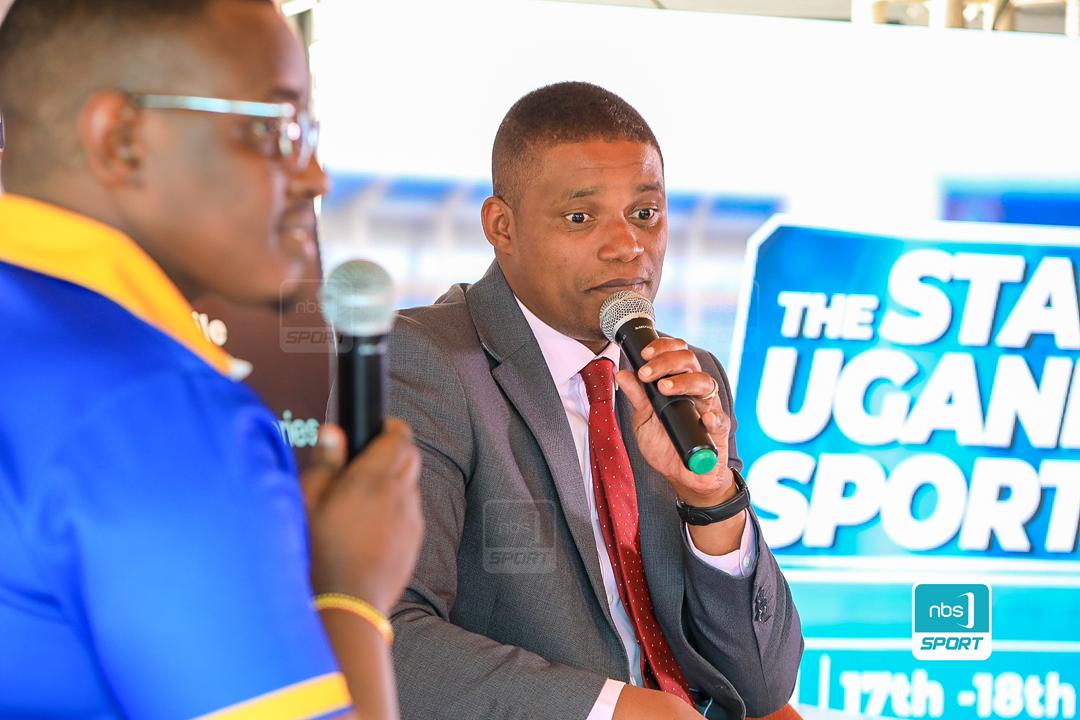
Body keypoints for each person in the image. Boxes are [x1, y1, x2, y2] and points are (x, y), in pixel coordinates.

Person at [0, 2, 422, 718]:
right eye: (276, 128)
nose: (315, 176)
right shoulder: (157, 412)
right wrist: (349, 591)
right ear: (122, 139)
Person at [387, 82, 803, 720]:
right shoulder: (425, 360)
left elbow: (762, 684)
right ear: (501, 226)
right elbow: (387, 636)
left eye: (646, 213)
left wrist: (711, 498)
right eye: (581, 218)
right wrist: (612, 710)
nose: (628, 246)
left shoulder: (685, 380)